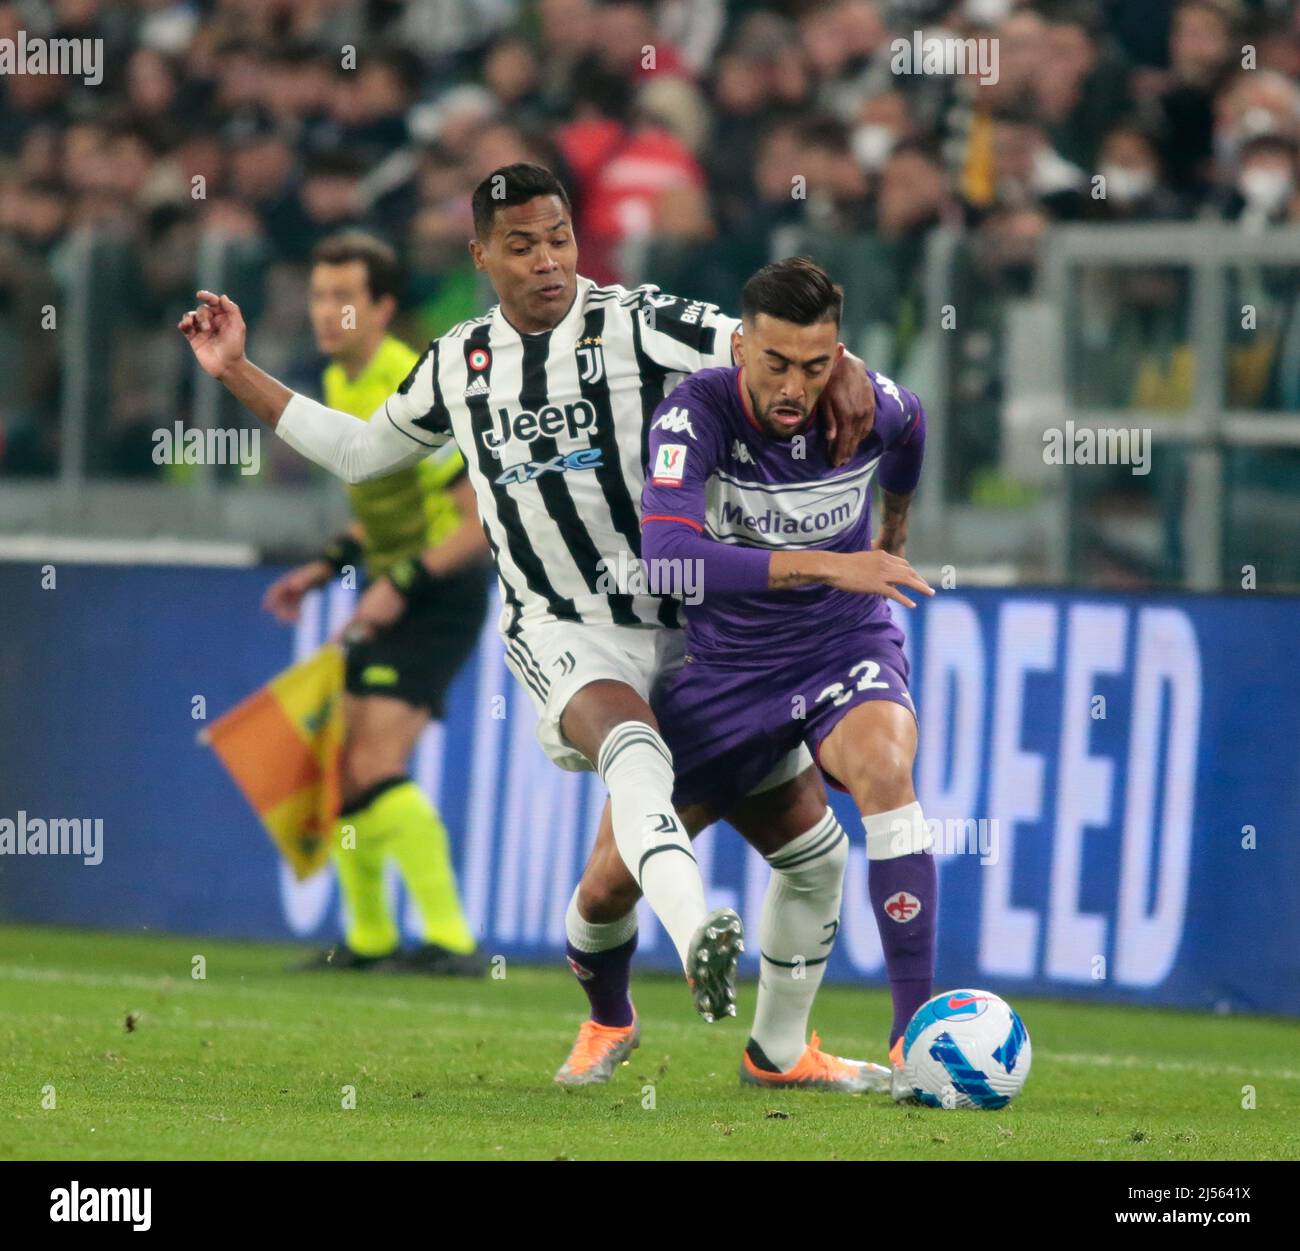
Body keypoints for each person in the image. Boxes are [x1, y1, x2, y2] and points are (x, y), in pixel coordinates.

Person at [176, 161, 877, 1043]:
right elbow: (359, 453)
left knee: (814, 850)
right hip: (565, 626)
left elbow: (763, 343)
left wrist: (844, 366)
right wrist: (237, 371)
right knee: (633, 752)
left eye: (559, 239)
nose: (547, 260)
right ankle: (698, 927)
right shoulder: (459, 365)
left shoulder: (640, 322)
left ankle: (780, 1054)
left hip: (698, 627)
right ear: (480, 255)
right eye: (521, 246)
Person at [635, 257, 937, 1098]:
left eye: (816, 364)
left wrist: (895, 528)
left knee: (887, 772)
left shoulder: (866, 399)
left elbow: (914, 428)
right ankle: (604, 1011)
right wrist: (831, 565)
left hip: (841, 642)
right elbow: (665, 559)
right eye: (777, 363)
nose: (796, 384)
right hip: (727, 668)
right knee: (607, 884)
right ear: (740, 346)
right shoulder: (693, 416)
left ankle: (912, 1034)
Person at [259, 230, 490, 975]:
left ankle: (452, 939)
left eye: (344, 299)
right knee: (348, 765)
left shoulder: (406, 383)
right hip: (398, 587)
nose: (328, 312)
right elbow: (391, 507)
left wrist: (402, 585)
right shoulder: (339, 379)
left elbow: (475, 524)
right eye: (320, 296)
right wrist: (327, 567)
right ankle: (366, 939)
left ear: (383, 307)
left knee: (375, 758)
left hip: (442, 593)